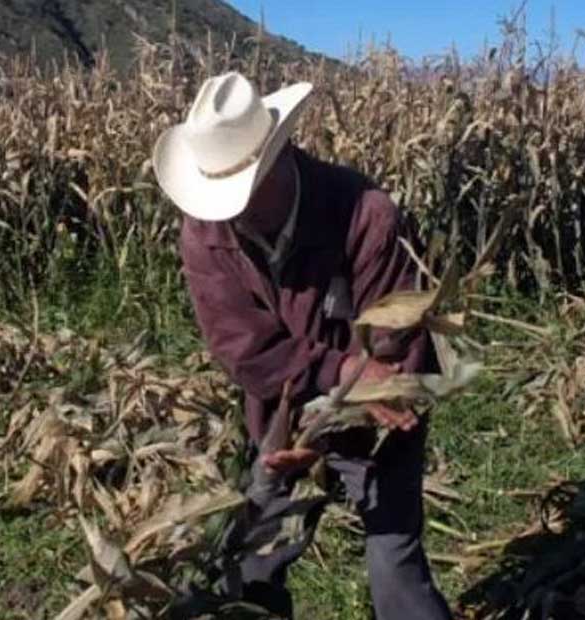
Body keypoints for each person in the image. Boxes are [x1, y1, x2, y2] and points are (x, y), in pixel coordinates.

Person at [152, 72, 452, 619]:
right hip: (282, 412)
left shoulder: (365, 214)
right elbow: (246, 349)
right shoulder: (206, 234)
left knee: (395, 561)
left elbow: (393, 344)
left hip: (378, 413)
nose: (232, 212)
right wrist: (310, 420)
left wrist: (338, 416)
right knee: (254, 561)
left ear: (280, 154)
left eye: (244, 192)